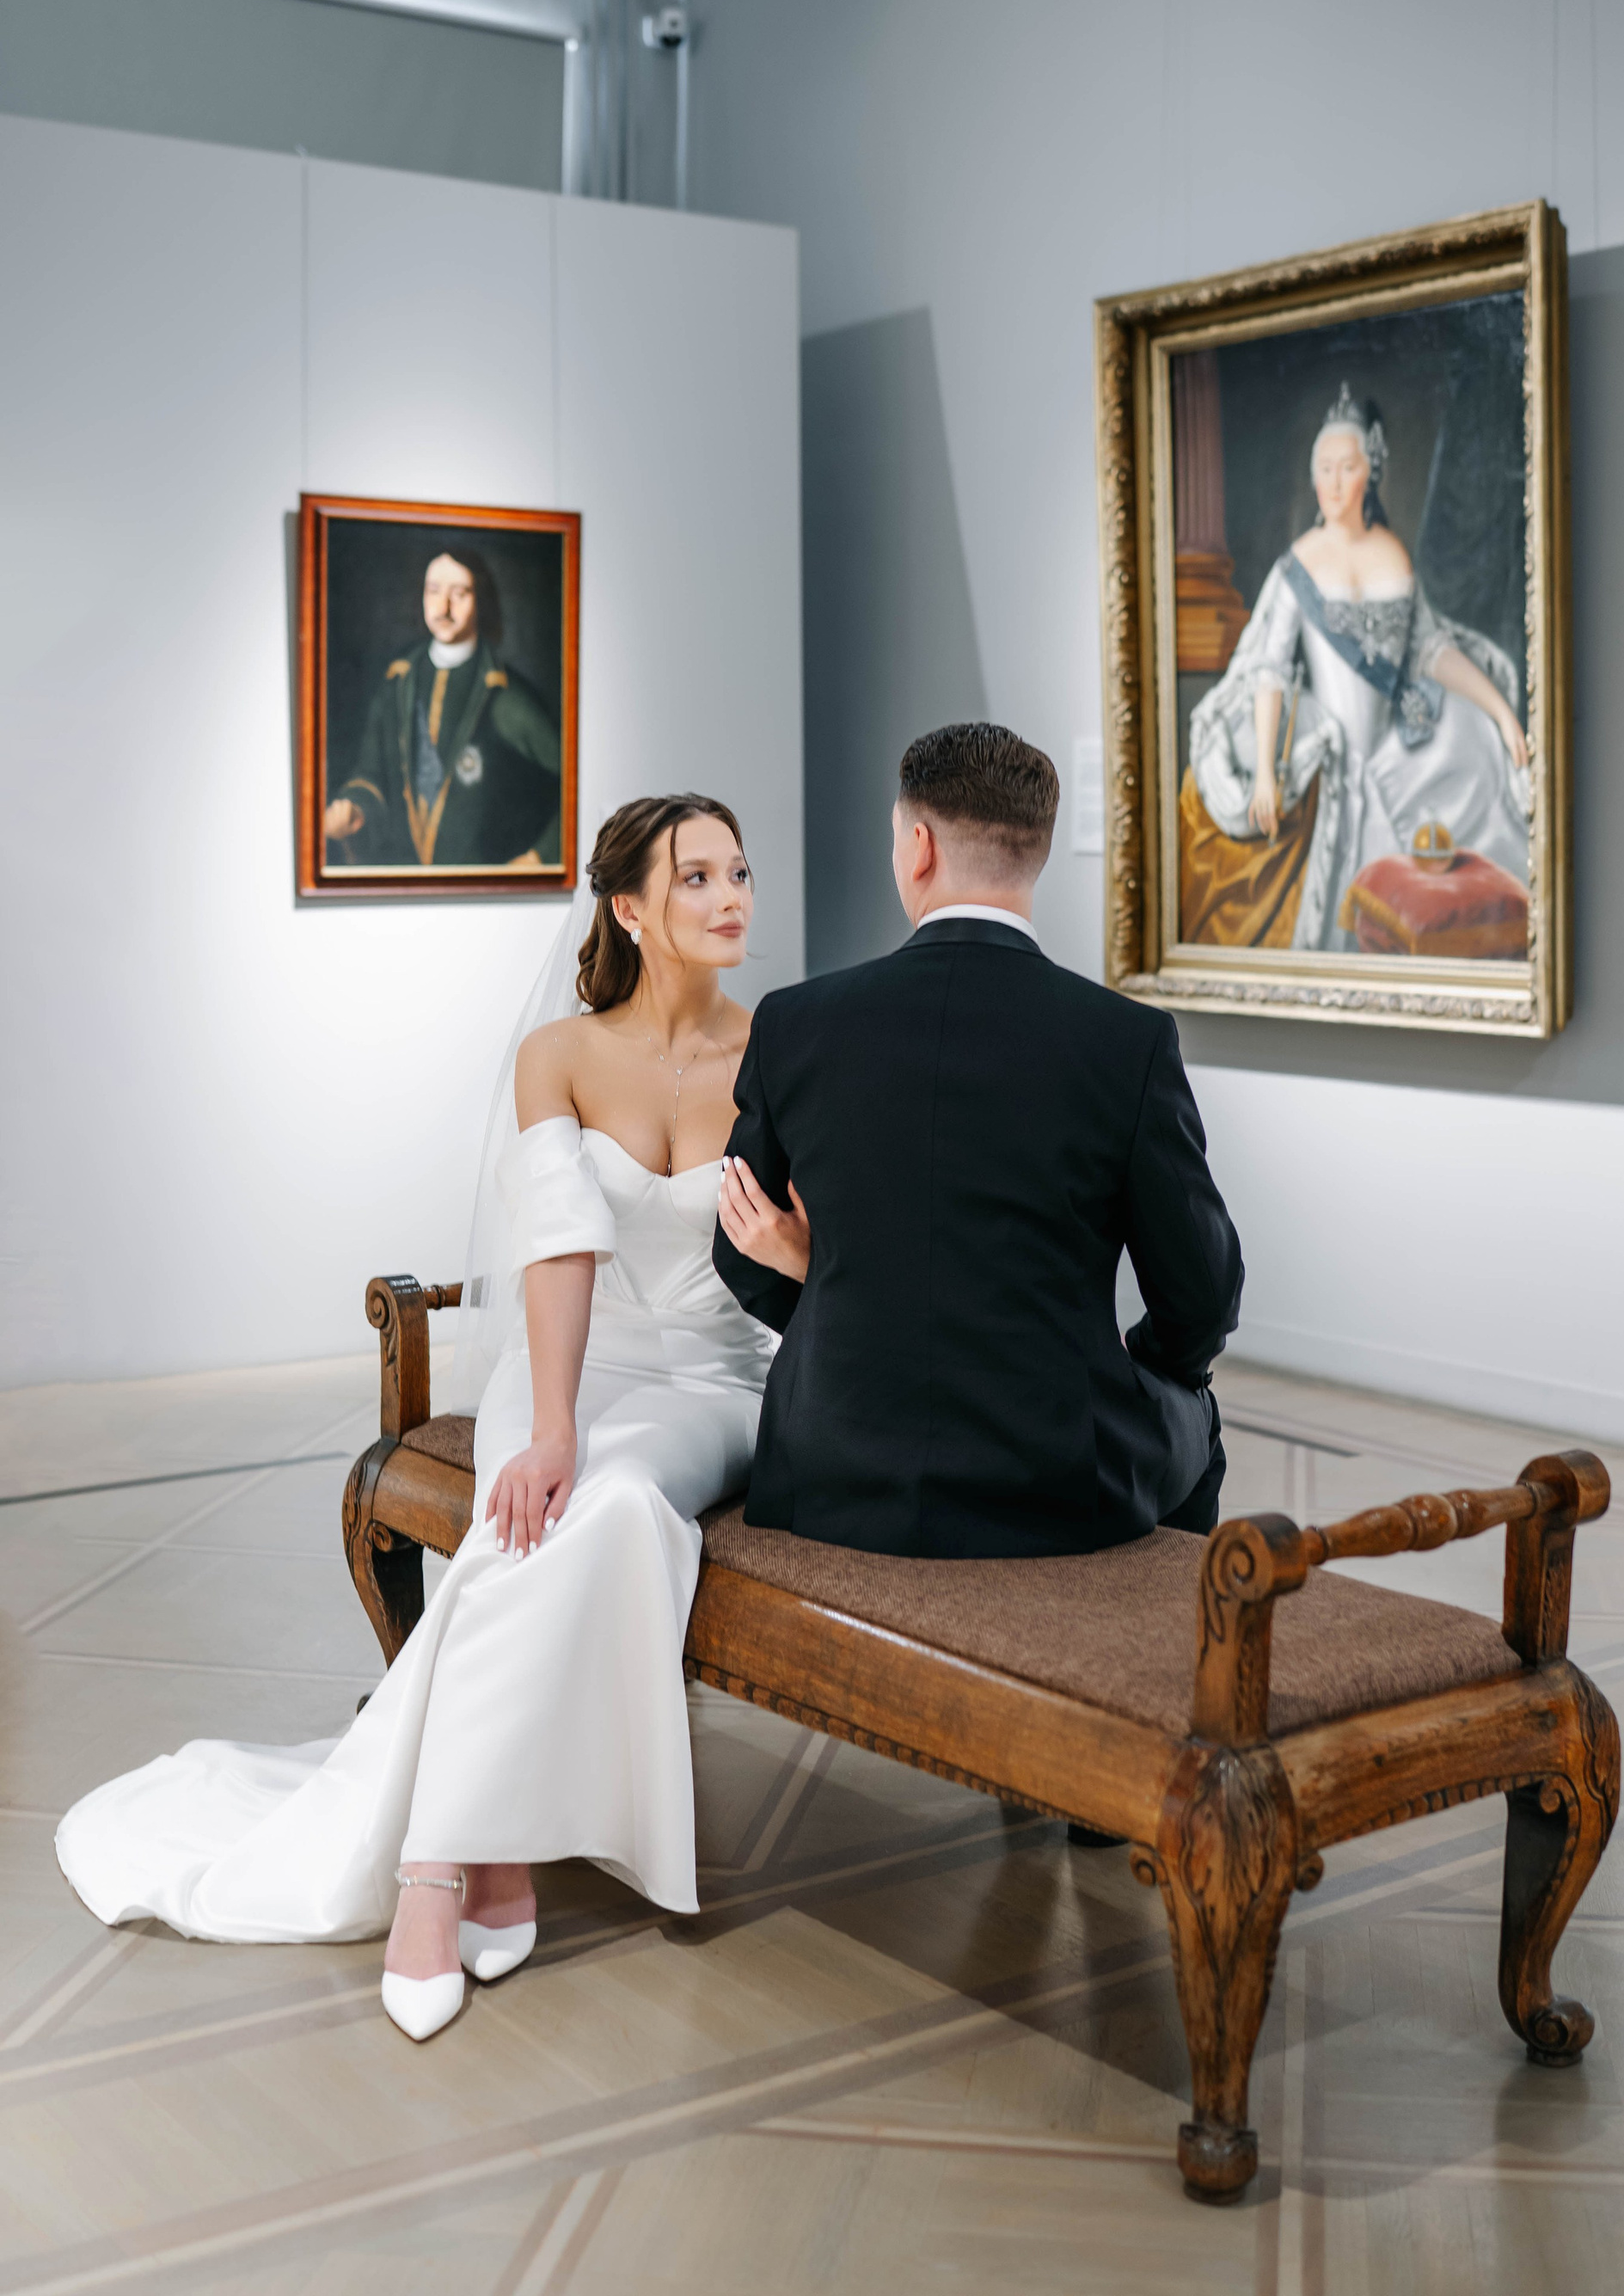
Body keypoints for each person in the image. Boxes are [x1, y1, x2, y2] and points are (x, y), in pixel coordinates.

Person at [56, 796, 774, 2041]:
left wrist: (800, 1256)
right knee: (533, 1507)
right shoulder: (557, 1053)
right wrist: (551, 1424)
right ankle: (482, 1851)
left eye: (740, 872)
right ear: (628, 907)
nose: (731, 897)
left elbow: (821, 1244)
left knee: (611, 1503)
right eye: (697, 876)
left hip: (719, 1379)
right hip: (573, 1359)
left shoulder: (781, 1051)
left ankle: (440, 1857)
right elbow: (559, 1246)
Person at [714, 721, 1241, 1557]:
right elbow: (1202, 1297)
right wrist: (1129, 1361)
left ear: (918, 847)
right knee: (1196, 1413)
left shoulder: (795, 1023)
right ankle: (1157, 1626)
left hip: (830, 1463)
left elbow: (740, 1246)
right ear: (1036, 850)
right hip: (1054, 1477)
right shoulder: (1127, 1041)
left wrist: (851, 1307)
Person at [1181, 386, 1531, 951]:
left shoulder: (1394, 554)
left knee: (1479, 752)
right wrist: (1266, 771)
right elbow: (1270, 670)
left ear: (1372, 472)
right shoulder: (1298, 564)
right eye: (1325, 468)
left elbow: (1431, 651)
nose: (1335, 481)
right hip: (1330, 755)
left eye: (1348, 467)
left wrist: (1502, 715)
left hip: (1397, 750)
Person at [324, 544, 563, 871]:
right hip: (404, 880)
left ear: (481, 601)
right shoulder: (398, 682)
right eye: (434, 591)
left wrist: (539, 857)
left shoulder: (503, 694)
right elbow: (372, 771)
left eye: (459, 594)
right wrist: (354, 808)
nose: (444, 607)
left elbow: (572, 782)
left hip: (485, 883)